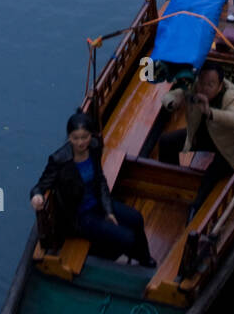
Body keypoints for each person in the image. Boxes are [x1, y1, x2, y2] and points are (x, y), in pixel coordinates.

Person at [30, 111, 155, 266]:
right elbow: (39, 186)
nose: (80, 142)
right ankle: (104, 253)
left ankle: (144, 257)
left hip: (98, 204)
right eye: (75, 138)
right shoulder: (59, 159)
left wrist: (108, 210)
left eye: (84, 137)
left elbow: (100, 180)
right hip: (79, 217)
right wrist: (37, 196)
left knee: (136, 218)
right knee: (127, 238)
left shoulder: (94, 147)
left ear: (90, 136)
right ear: (69, 137)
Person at [159, 61, 234, 219]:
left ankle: (196, 213)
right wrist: (171, 101)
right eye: (202, 83)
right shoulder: (195, 84)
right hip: (204, 136)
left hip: (228, 147)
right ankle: (172, 184)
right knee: (166, 142)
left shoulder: (230, 94)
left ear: (220, 85)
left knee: (209, 178)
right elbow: (178, 92)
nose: (204, 88)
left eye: (210, 84)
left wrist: (210, 113)